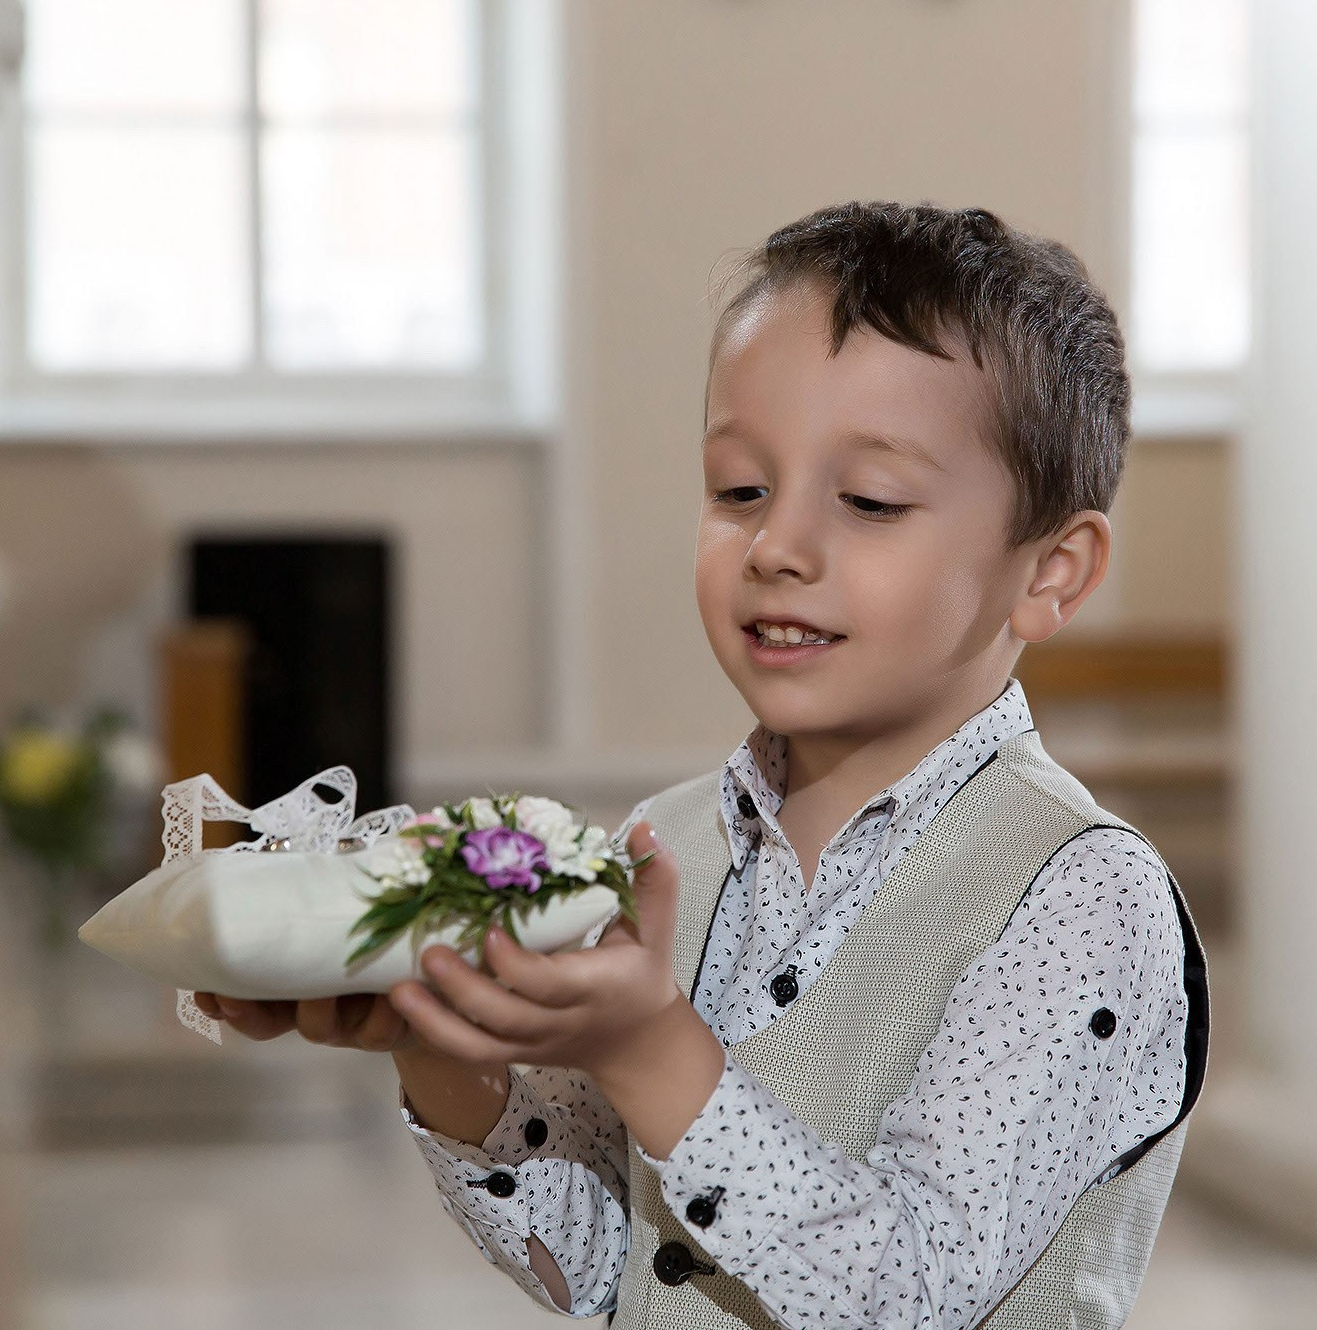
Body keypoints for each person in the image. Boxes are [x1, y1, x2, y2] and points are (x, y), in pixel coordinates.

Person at [194, 200, 1209, 1329]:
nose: (775, 546)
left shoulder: (1077, 895)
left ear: (1050, 573)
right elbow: (602, 1268)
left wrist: (648, 1047)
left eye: (867, 501)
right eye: (738, 488)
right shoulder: (665, 844)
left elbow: (906, 1297)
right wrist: (452, 1054)